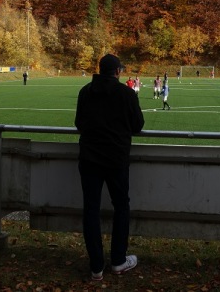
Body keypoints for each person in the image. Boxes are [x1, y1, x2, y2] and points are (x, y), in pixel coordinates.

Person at [75, 54, 144, 281]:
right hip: (116, 159)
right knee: (121, 207)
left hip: (89, 159)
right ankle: (118, 261)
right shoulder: (126, 93)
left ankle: (96, 267)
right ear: (117, 72)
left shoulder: (86, 91)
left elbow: (79, 124)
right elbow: (138, 125)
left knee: (91, 210)